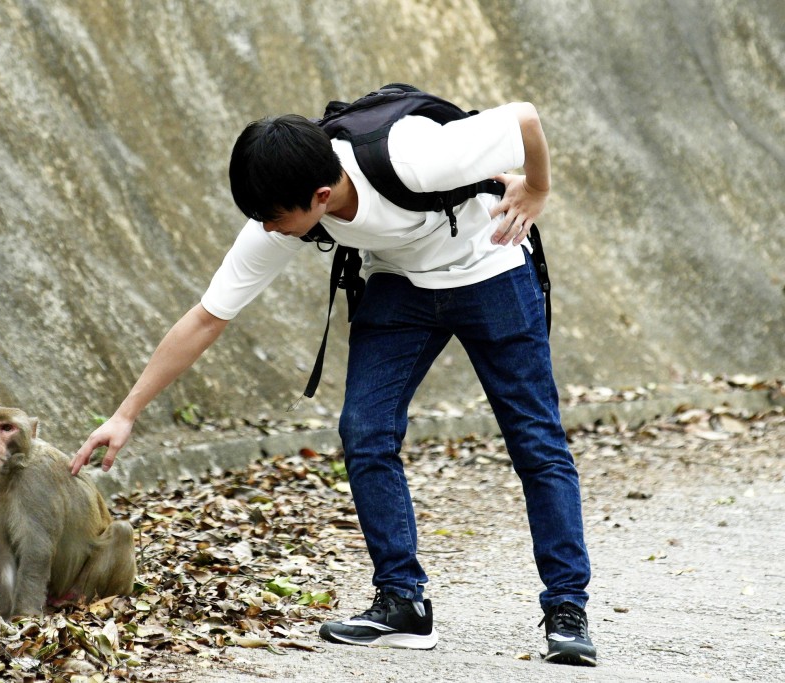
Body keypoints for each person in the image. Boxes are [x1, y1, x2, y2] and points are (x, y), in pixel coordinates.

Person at [71, 95, 596, 666]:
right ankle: (402, 603)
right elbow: (206, 317)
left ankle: (567, 608)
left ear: (320, 197)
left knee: (535, 440)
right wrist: (126, 413)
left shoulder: (415, 157)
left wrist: (537, 189)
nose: (269, 230)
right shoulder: (283, 214)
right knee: (365, 430)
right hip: (400, 285)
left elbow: (524, 118)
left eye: (275, 218)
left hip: (489, 268)